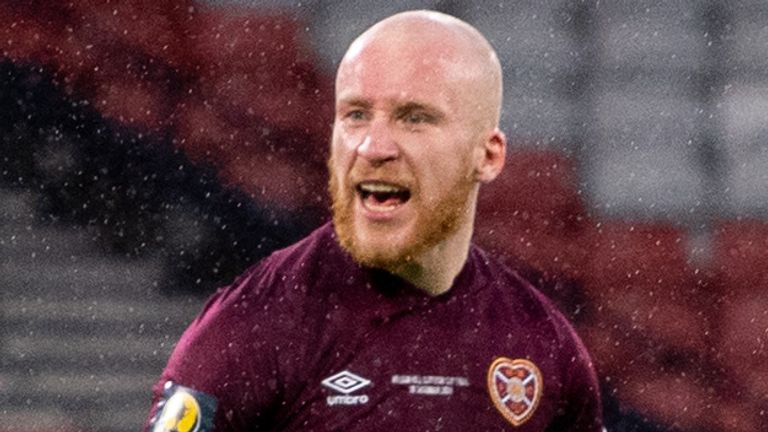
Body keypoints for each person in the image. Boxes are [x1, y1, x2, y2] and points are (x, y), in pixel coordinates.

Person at [145, 10, 603, 431]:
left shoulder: (544, 346)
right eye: (356, 115)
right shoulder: (255, 326)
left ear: (487, 155)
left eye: (414, 118)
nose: (372, 146)